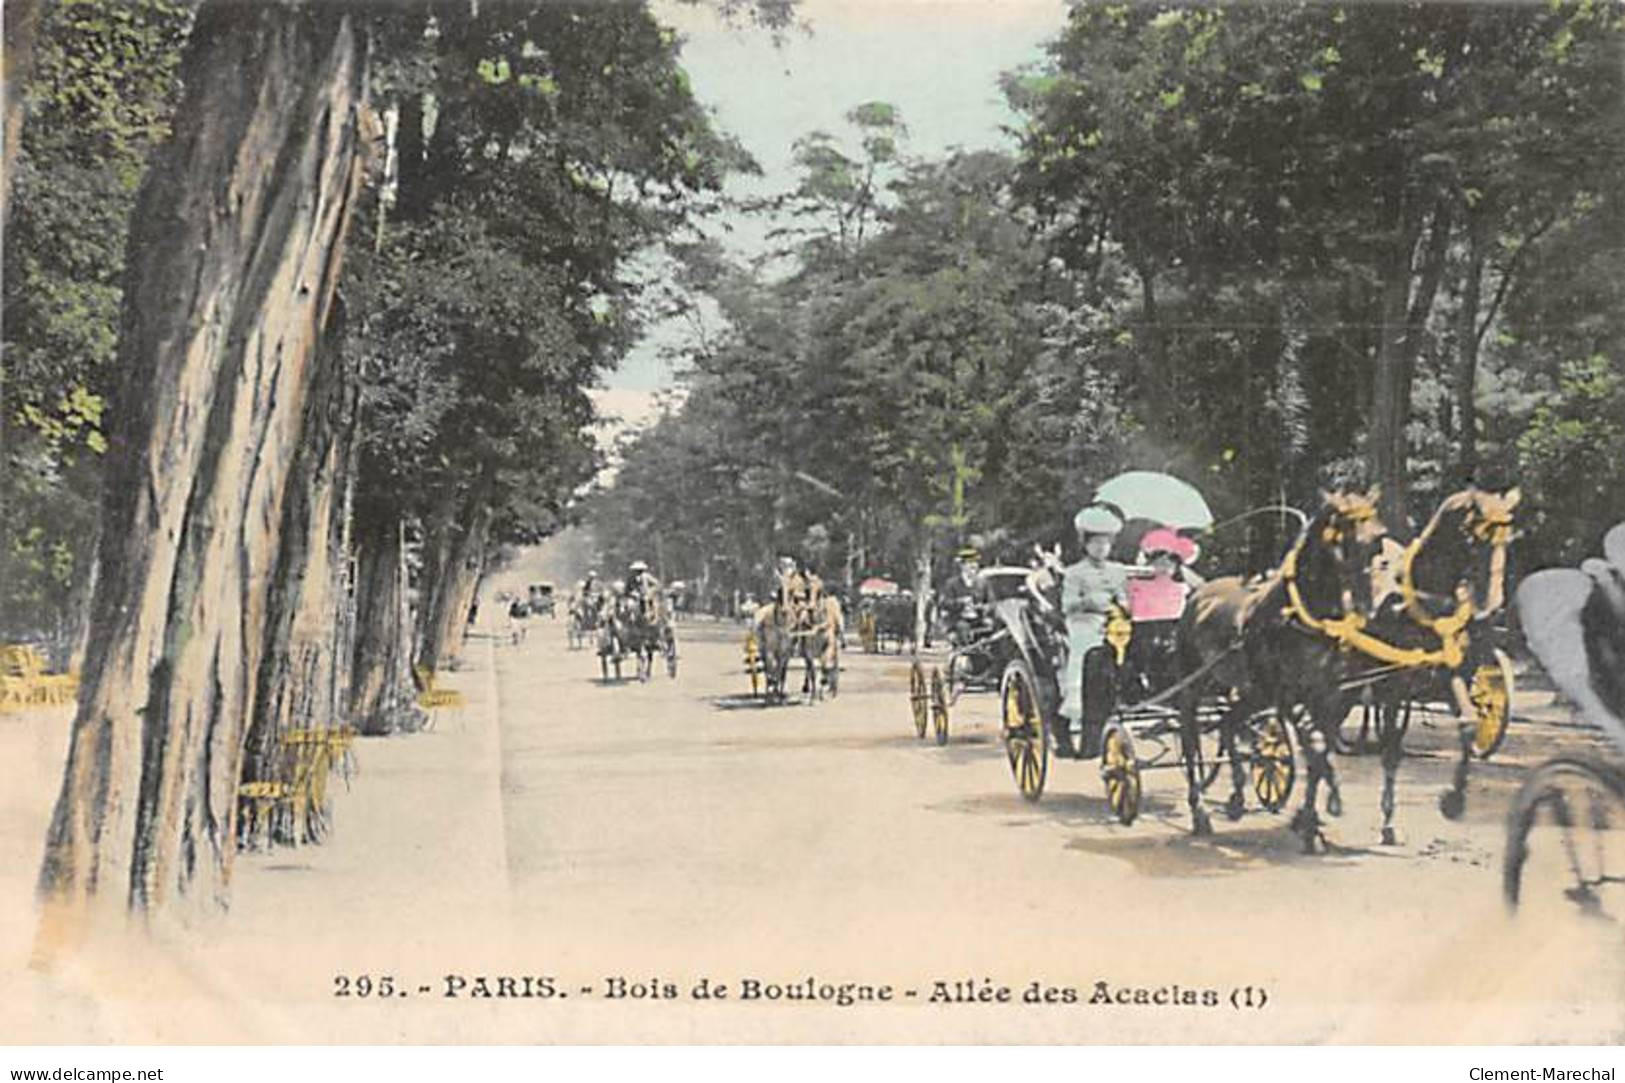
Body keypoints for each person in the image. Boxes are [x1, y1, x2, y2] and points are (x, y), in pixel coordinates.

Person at [1060, 505, 1133, 758]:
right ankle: (1077, 709)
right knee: (1087, 650)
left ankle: (1129, 690)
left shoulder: (1117, 571)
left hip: (1112, 622)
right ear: (1086, 545)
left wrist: (1123, 605)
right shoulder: (1074, 573)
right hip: (1084, 622)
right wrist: (1089, 602)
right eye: (1096, 543)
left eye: (1106, 543)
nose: (1101, 548)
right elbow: (1067, 606)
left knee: (1136, 641)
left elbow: (1122, 596)